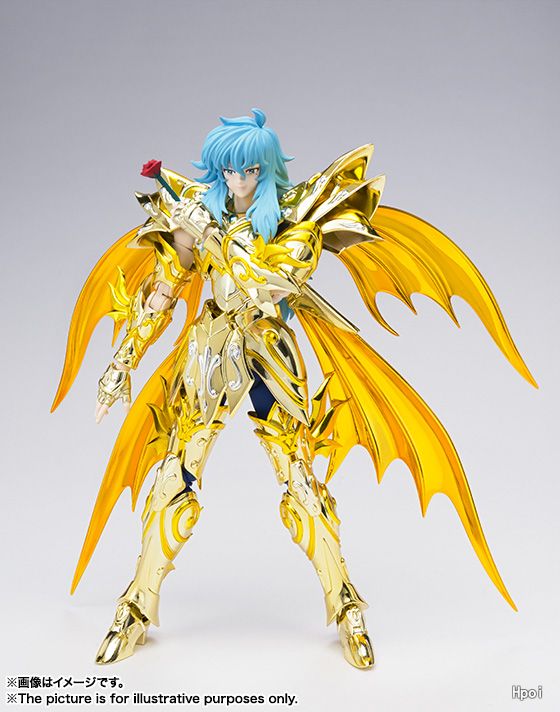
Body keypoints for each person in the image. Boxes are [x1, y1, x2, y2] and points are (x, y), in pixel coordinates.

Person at [53, 108, 536, 669]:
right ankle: (136, 606)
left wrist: (210, 236)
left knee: (303, 488)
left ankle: (346, 605)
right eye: (228, 169)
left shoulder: (293, 222)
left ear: (265, 170)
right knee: (171, 482)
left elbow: (266, 285)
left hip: (270, 358)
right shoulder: (194, 214)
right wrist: (121, 361)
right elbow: (162, 294)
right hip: (210, 355)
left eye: (250, 169)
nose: (238, 180)